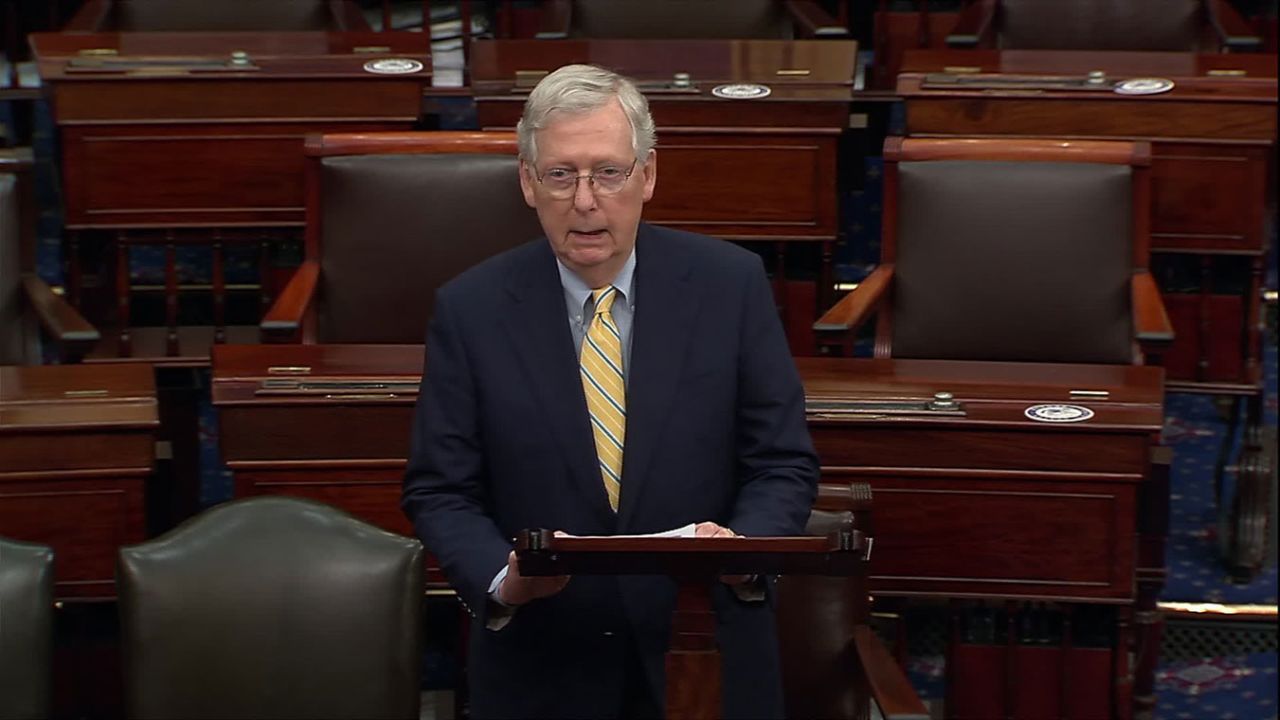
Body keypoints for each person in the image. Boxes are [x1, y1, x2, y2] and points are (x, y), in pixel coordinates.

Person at [401, 63, 818, 720]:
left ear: (647, 176)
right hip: (543, 667)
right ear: (528, 184)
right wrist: (504, 582)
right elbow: (440, 488)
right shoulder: (471, 309)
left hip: (703, 652)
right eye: (561, 174)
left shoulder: (729, 286)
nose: (586, 200)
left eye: (608, 172)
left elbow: (782, 462)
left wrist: (743, 553)